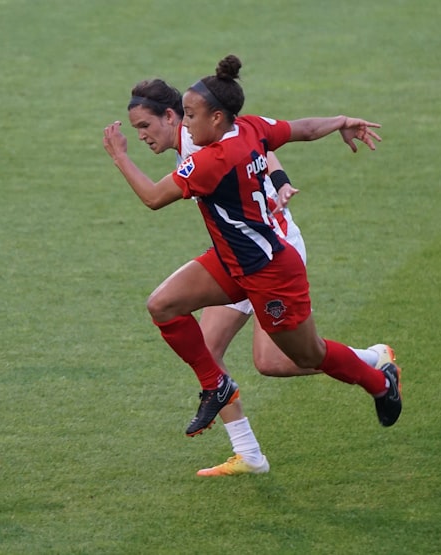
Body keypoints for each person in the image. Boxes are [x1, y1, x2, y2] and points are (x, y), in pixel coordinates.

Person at [102, 55, 402, 472]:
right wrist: (339, 123)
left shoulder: (206, 154)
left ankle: (374, 370)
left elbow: (155, 197)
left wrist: (118, 156)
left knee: (283, 360)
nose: (142, 137)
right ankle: (244, 444)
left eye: (145, 127)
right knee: (168, 309)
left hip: (269, 261)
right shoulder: (244, 127)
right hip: (233, 255)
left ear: (179, 116)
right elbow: (288, 134)